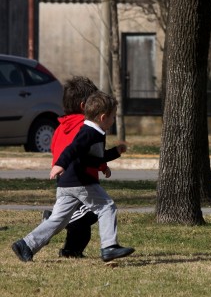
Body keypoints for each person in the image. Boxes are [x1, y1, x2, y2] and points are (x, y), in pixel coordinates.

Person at [12, 91, 135, 263]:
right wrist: (60, 164)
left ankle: (26, 245)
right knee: (107, 207)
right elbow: (72, 149)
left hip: (67, 183)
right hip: (81, 182)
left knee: (58, 219)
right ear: (103, 117)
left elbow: (93, 157)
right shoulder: (89, 133)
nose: (114, 120)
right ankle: (109, 247)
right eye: (113, 117)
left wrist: (114, 153)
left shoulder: (94, 131)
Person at [43, 76, 102, 258]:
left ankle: (71, 251)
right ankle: (52, 218)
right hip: (80, 178)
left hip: (63, 177)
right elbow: (87, 150)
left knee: (81, 225)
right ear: (85, 106)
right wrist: (102, 163)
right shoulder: (85, 127)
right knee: (92, 213)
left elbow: (55, 148)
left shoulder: (60, 127)